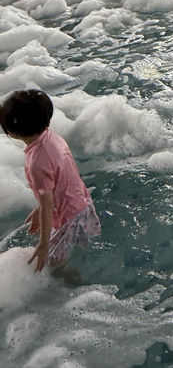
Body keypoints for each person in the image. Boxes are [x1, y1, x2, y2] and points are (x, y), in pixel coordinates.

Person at [0, 89, 100, 271]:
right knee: (71, 250)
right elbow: (62, 176)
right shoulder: (52, 137)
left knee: (53, 264)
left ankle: (70, 283)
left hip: (69, 217)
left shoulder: (36, 162)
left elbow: (48, 204)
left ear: (13, 132)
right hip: (81, 203)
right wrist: (39, 208)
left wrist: (43, 244)